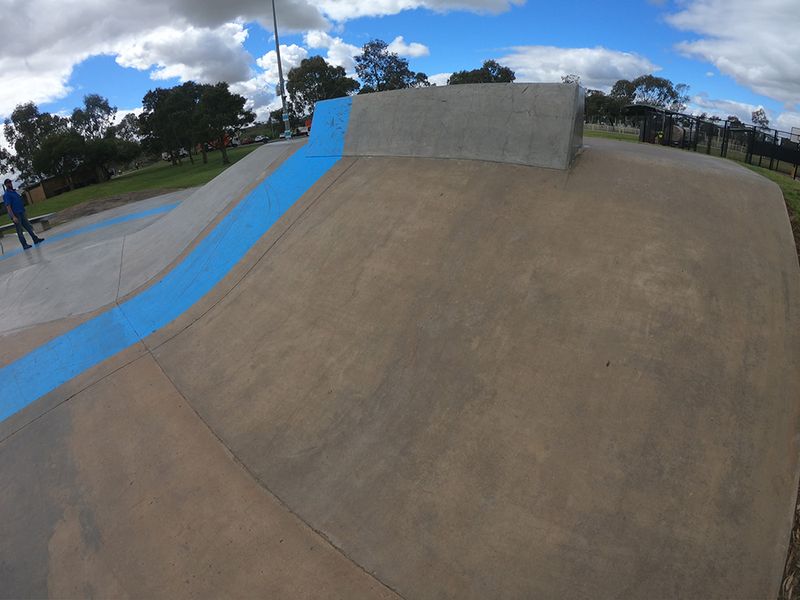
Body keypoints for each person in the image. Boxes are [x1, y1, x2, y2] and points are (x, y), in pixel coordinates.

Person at [3, 178, 44, 249]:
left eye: (10, 182)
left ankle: (35, 239)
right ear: (6, 185)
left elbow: (18, 202)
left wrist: (24, 211)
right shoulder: (7, 194)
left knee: (28, 227)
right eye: (8, 183)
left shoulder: (14, 192)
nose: (10, 184)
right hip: (16, 214)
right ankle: (24, 245)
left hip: (21, 212)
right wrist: (13, 217)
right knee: (19, 231)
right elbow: (8, 207)